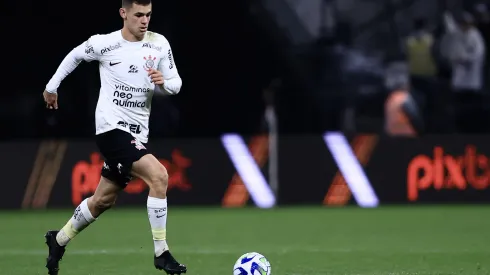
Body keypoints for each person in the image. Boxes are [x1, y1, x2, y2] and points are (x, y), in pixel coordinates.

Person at [42, 0, 186, 274]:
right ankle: (161, 252)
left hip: (137, 133)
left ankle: (58, 240)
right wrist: (52, 87)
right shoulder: (105, 44)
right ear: (124, 14)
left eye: (149, 15)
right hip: (110, 129)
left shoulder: (158, 44)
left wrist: (163, 83)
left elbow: (176, 83)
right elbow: (75, 55)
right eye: (139, 15)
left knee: (102, 200)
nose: (145, 21)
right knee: (159, 176)